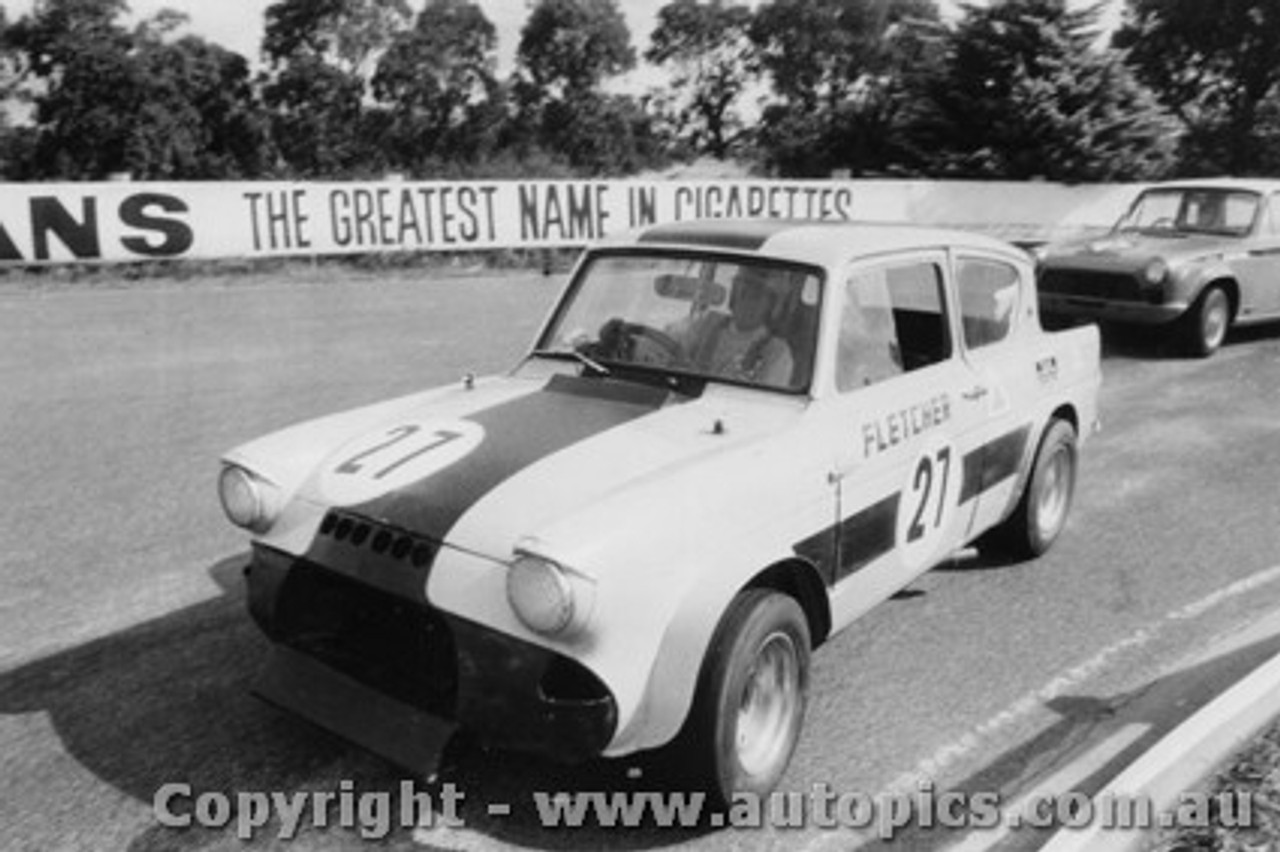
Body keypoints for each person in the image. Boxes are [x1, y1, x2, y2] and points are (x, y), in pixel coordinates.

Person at [678, 266, 795, 387]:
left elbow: (764, 401)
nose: (745, 298)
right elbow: (674, 344)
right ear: (733, 293)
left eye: (756, 294)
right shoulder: (707, 321)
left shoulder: (777, 352)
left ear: (773, 306)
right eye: (742, 289)